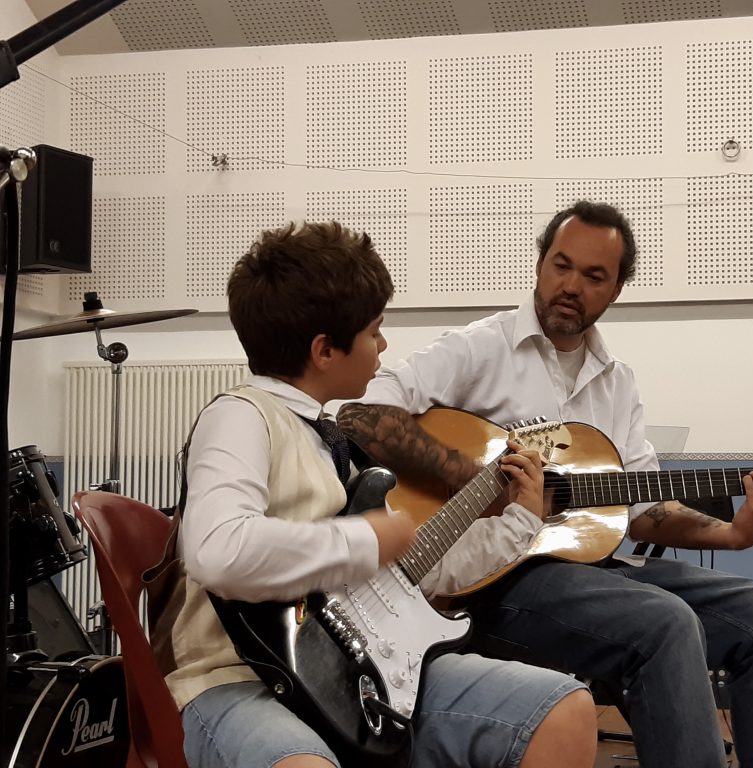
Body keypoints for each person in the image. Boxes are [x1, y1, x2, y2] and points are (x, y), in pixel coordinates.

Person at [338, 201, 753, 768]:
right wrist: (476, 481)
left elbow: (639, 507)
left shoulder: (617, 382)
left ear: (615, 291)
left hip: (586, 571)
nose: (571, 286)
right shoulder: (477, 348)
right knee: (665, 623)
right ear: (540, 264)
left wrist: (734, 534)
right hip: (491, 577)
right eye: (562, 265)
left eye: (594, 277)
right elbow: (359, 414)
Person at [146, 221, 597, 768]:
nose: (384, 346)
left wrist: (520, 523)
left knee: (564, 709)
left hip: (355, 666)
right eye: (375, 332)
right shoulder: (241, 417)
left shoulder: (333, 439)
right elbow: (218, 550)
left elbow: (411, 573)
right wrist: (362, 539)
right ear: (324, 350)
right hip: (235, 676)